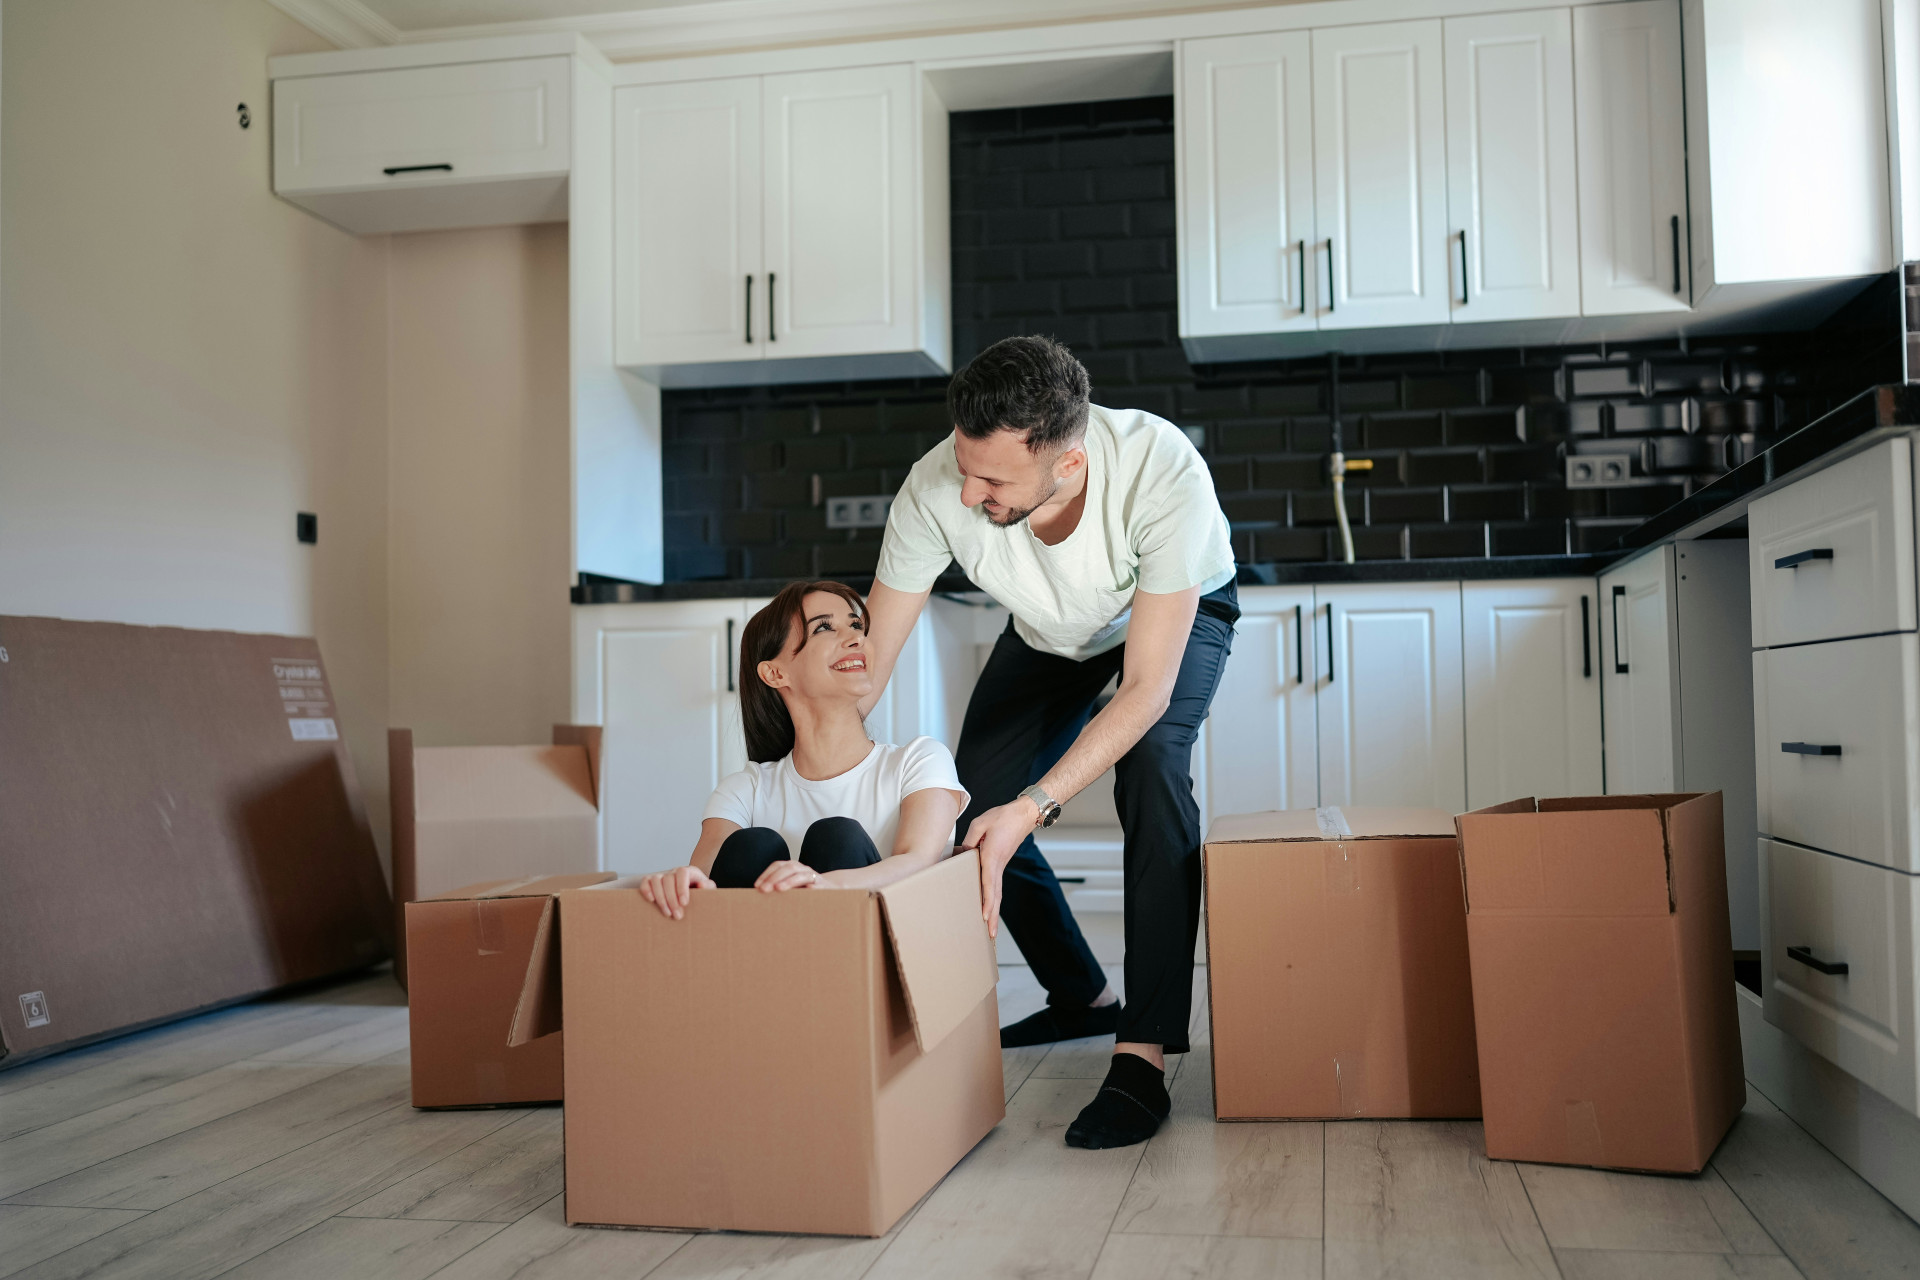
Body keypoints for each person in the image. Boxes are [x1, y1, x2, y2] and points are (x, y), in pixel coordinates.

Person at [858, 335, 1237, 1150]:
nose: (968, 493)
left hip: (1172, 615)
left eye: (993, 481)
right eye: (965, 466)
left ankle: (1141, 1054)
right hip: (1052, 629)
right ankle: (1081, 997)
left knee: (1152, 769)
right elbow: (870, 662)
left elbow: (1146, 691)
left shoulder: (1160, 469)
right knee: (973, 805)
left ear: (1067, 462)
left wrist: (1034, 806)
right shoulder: (937, 486)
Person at [637, 580, 969, 917]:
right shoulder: (746, 790)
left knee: (836, 838)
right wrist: (681, 882)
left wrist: (826, 885)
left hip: (881, 941)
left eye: (856, 625)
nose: (856, 638)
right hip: (761, 945)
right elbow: (704, 876)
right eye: (824, 628)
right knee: (753, 845)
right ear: (775, 673)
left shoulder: (920, 761)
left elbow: (920, 860)